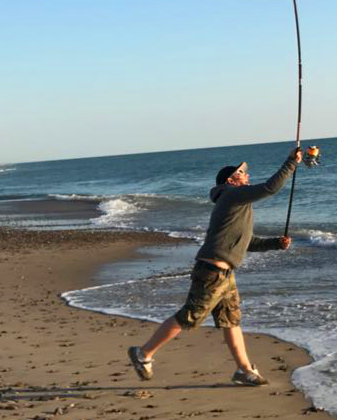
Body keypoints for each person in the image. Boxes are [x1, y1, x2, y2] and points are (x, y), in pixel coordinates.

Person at [128, 147, 302, 386]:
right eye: (243, 173)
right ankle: (143, 354)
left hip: (226, 274)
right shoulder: (231, 195)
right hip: (212, 272)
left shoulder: (238, 204)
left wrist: (274, 244)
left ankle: (244, 371)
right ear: (232, 180)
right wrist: (291, 162)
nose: (247, 176)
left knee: (231, 321)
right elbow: (270, 188)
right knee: (188, 317)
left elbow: (246, 242)